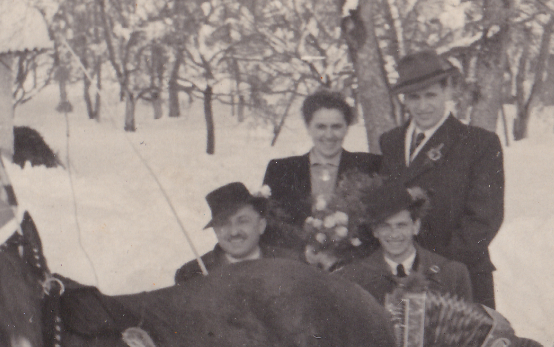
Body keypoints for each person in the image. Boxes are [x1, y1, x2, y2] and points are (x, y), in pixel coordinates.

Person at [378, 51, 504, 308]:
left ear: (447, 91)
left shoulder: (478, 143)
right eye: (414, 97)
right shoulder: (390, 142)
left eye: (431, 95)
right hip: (399, 277)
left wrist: (432, 268)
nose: (422, 106)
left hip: (459, 276)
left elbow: (484, 220)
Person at [332, 182, 473, 304]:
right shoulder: (352, 277)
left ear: (415, 227)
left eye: (401, 225)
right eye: (385, 226)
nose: (394, 234)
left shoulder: (453, 274)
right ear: (375, 231)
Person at [261, 90, 382, 234]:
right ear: (308, 127)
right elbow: (271, 226)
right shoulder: (281, 170)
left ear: (346, 128)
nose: (329, 135)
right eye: (321, 127)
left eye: (336, 127)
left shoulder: (369, 166)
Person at [174, 182, 290, 284]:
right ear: (216, 231)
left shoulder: (290, 263)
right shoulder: (191, 274)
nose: (234, 232)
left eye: (243, 221)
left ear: (261, 226)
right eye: (224, 223)